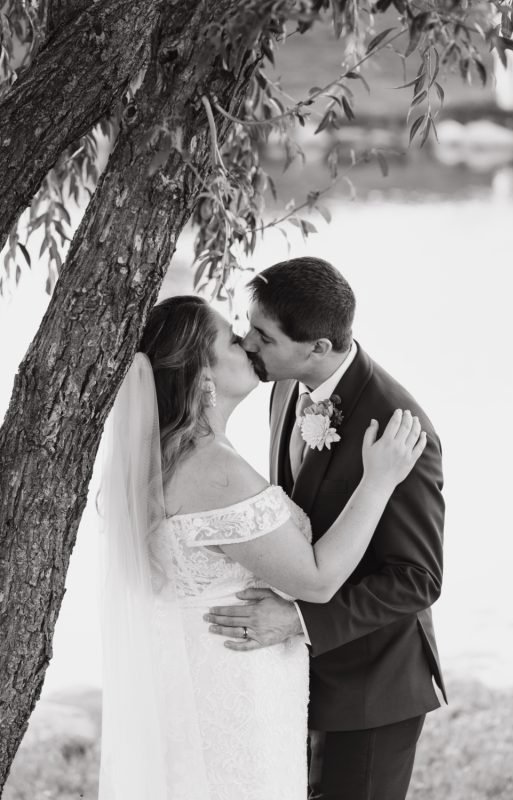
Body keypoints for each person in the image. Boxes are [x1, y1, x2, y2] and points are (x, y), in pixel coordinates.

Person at [98, 293, 426, 800]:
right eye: (232, 339)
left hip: (209, 672)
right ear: (203, 375)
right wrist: (378, 479)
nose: (248, 344)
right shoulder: (213, 469)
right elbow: (315, 580)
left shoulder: (169, 453)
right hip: (235, 687)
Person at [205, 257, 446, 800]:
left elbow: (416, 579)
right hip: (298, 679)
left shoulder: (399, 429)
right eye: (247, 326)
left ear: (317, 347)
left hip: (371, 689)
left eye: (262, 337)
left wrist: (297, 621)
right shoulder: (284, 385)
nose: (245, 343)